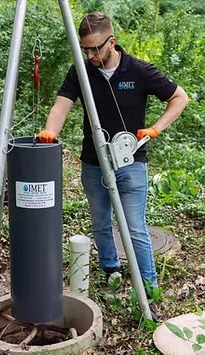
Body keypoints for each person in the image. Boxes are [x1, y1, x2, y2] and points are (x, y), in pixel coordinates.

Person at [38, 12, 189, 312]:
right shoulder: (80, 71)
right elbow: (61, 104)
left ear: (112, 42)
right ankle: (111, 271)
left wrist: (156, 128)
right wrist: (50, 131)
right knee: (100, 222)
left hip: (131, 163)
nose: (91, 55)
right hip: (93, 163)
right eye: (86, 49)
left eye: (96, 48)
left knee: (134, 227)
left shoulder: (140, 71)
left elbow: (180, 97)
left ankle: (148, 287)